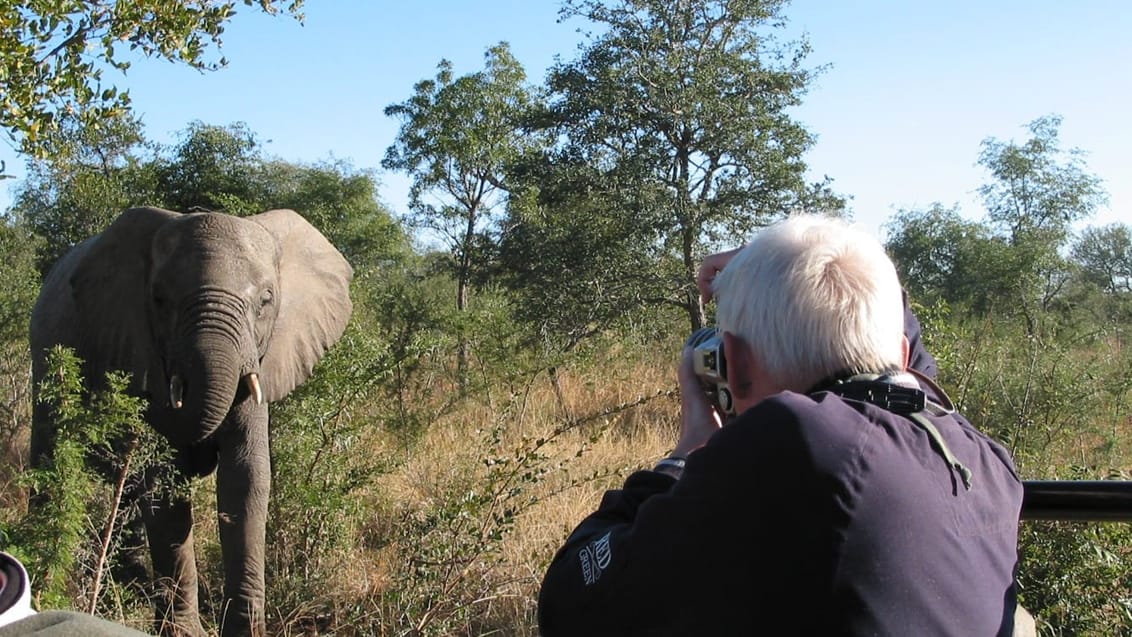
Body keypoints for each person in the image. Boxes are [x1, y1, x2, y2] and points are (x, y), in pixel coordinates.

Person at [537, 214, 1029, 636]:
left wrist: (684, 457)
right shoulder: (982, 458)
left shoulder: (796, 439)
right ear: (902, 356)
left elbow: (570, 608)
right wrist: (781, 262)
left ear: (735, 362)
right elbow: (890, 354)